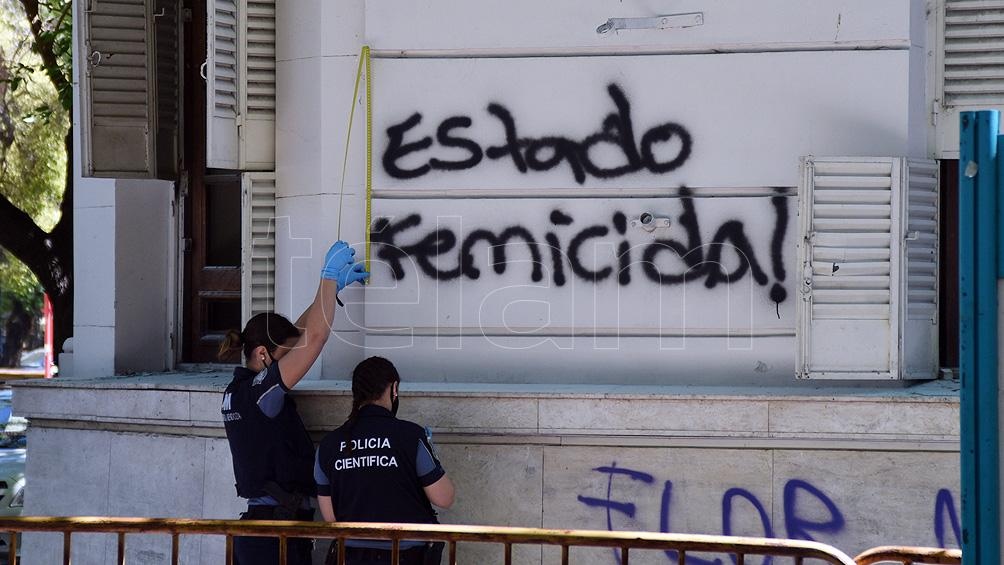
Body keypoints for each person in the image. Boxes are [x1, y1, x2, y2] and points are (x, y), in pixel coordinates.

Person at [220, 240, 369, 565]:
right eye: (284, 358)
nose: (293, 365)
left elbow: (300, 331)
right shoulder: (259, 393)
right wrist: (327, 277)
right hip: (274, 537)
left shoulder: (238, 390)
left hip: (268, 530)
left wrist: (328, 292)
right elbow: (314, 338)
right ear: (262, 354)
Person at [315, 357, 455, 565]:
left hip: (351, 555)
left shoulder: (328, 445)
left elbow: (330, 517)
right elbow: (444, 498)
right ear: (394, 388)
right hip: (405, 554)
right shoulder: (411, 436)